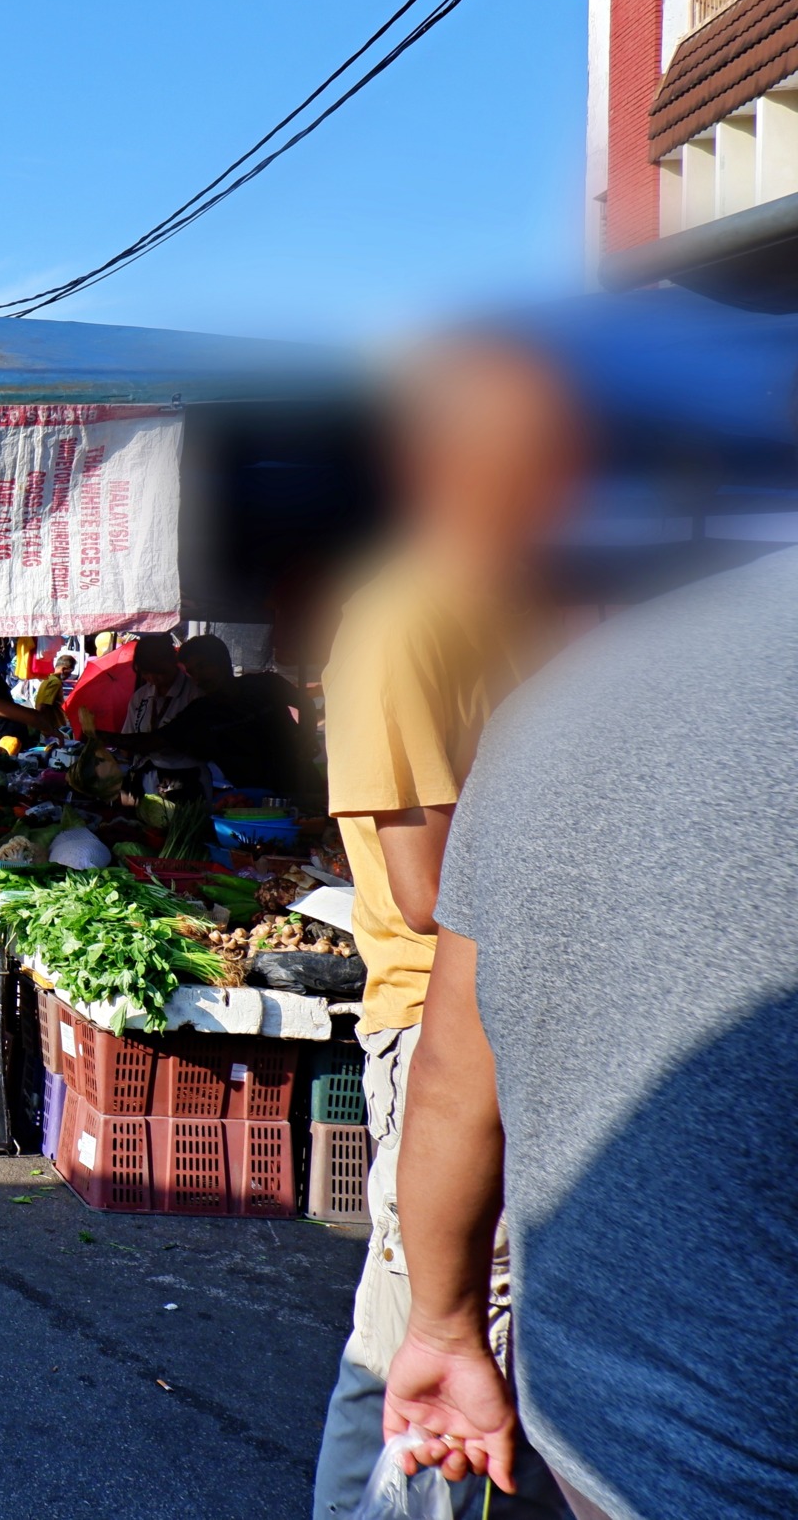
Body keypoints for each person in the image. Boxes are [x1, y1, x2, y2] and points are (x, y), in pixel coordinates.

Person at [379, 547, 798, 1520]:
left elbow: (452, 1070)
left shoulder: (562, 692)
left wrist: (442, 1324)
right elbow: (416, 901)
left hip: (603, 1433)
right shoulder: (390, 624)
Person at [309, 338, 584, 1520]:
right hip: (444, 1031)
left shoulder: (537, 607)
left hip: (540, 1013)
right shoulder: (402, 616)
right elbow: (430, 887)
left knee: (436, 1330)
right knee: (438, 1330)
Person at [106, 633, 313, 803]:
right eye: (192, 671)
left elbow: (306, 704)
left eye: (204, 666)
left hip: (301, 782)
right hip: (250, 796)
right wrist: (99, 737)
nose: (199, 677)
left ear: (223, 660)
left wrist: (307, 734)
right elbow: (155, 740)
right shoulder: (201, 710)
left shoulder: (266, 684)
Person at [118, 633, 195, 734]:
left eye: (158, 672)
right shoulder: (139, 697)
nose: (152, 678)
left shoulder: (194, 695)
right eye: (145, 673)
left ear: (173, 662)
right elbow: (128, 735)